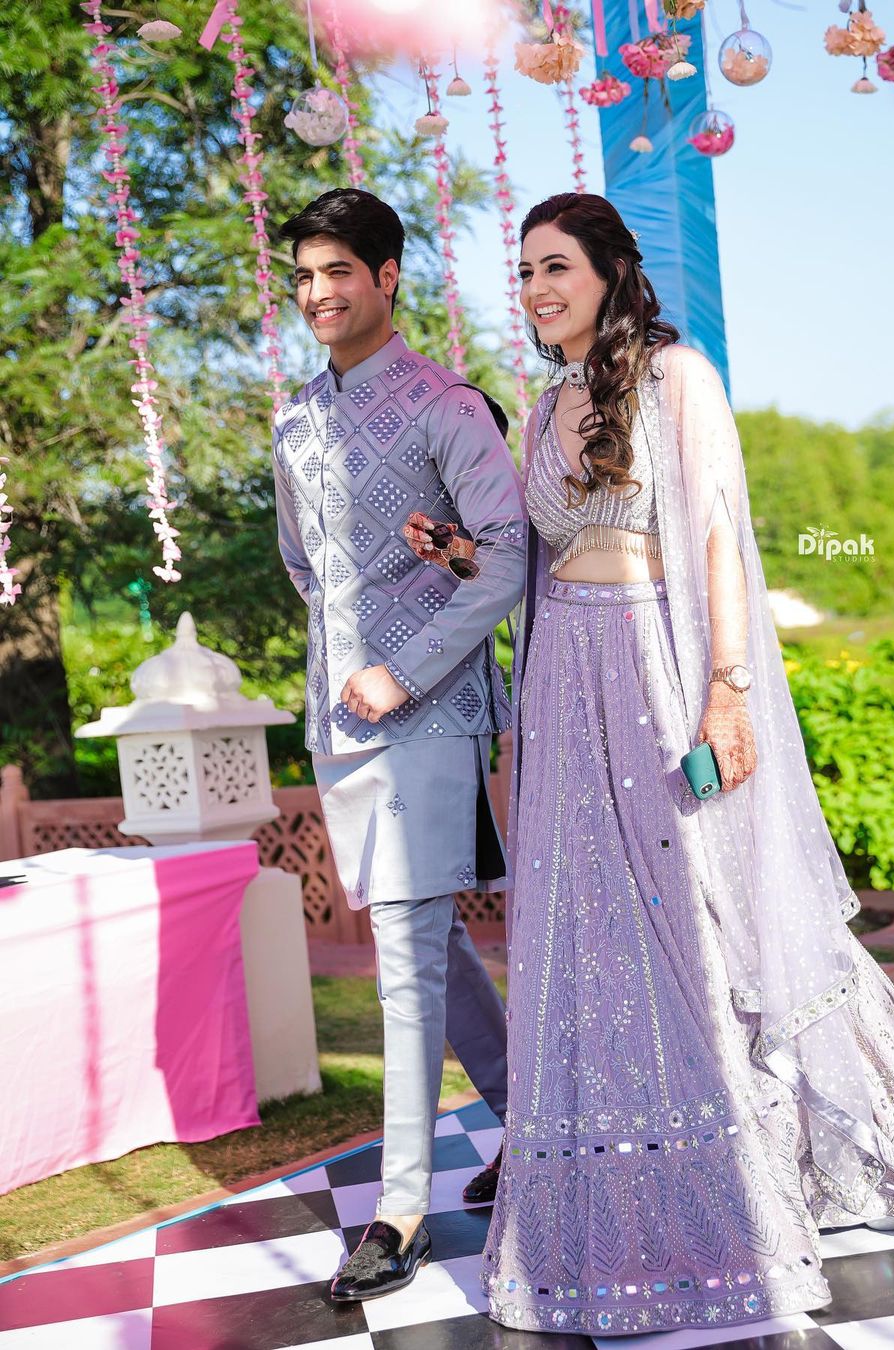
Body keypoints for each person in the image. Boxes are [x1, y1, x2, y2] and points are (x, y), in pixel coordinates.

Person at [403, 192, 894, 1338]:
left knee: (707, 919)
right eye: (526, 272)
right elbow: (535, 558)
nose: (539, 289)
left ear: (609, 271)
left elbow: (716, 535)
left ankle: (779, 1168)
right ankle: (622, 1184)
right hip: (566, 693)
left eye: (558, 266)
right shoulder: (543, 406)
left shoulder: (675, 380)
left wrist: (728, 691)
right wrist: (459, 551)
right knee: (589, 936)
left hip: (663, 666)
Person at [271, 187, 526, 1303]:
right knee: (423, 941)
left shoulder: (445, 408)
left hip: (427, 711)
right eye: (304, 276)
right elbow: (301, 565)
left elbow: (506, 555)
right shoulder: (292, 423)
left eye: (338, 272)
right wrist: (343, 671)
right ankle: (537, 1119)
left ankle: (403, 1208)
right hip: (340, 717)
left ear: (386, 276)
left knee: (404, 964)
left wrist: (405, 667)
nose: (318, 294)